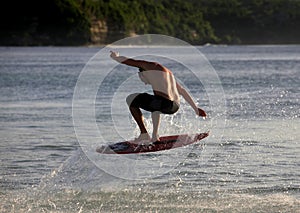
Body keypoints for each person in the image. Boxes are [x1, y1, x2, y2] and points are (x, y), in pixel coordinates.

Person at [110, 51, 206, 144]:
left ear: (142, 73)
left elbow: (130, 62)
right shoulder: (168, 74)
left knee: (131, 99)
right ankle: (155, 135)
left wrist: (116, 57)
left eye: (143, 80)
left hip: (165, 103)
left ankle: (145, 134)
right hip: (174, 106)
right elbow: (182, 91)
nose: (145, 83)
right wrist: (196, 109)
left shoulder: (149, 66)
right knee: (155, 104)